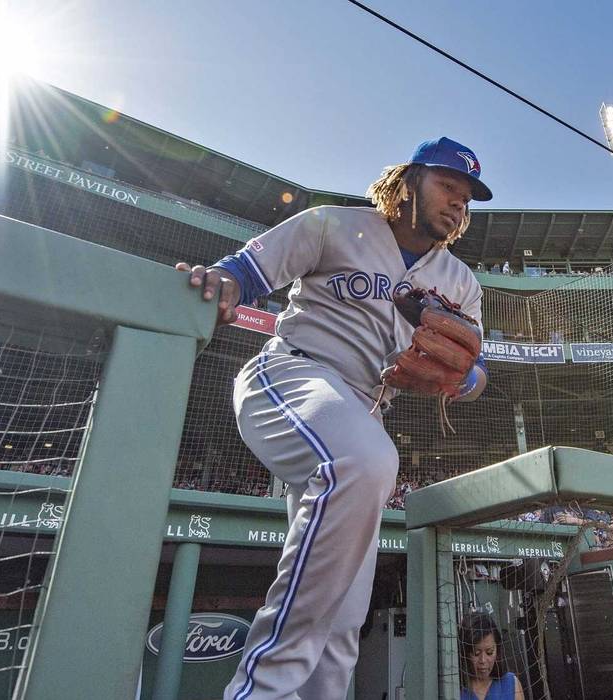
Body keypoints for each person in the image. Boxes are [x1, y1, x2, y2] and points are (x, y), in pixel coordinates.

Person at [178, 136, 492, 700]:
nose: (458, 204)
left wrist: (460, 378)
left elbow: (476, 374)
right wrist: (223, 283)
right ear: (408, 182)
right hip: (292, 375)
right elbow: (244, 271)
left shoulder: (461, 282)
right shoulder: (332, 224)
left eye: (467, 198)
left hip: (363, 409)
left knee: (345, 616)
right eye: (448, 186)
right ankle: (261, 690)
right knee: (366, 461)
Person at [458, 611, 523, 700]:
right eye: (476, 653)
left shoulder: (511, 684)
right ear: (465, 652)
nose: (483, 660)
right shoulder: (455, 689)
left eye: (489, 652)